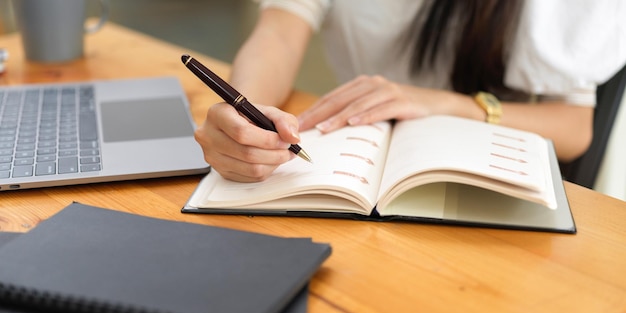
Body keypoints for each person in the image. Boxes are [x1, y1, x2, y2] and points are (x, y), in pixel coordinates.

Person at [194, 0, 626, 182]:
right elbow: (280, 34)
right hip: (358, 156)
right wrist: (243, 115)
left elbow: (575, 127)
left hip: (478, 173)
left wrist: (447, 104)